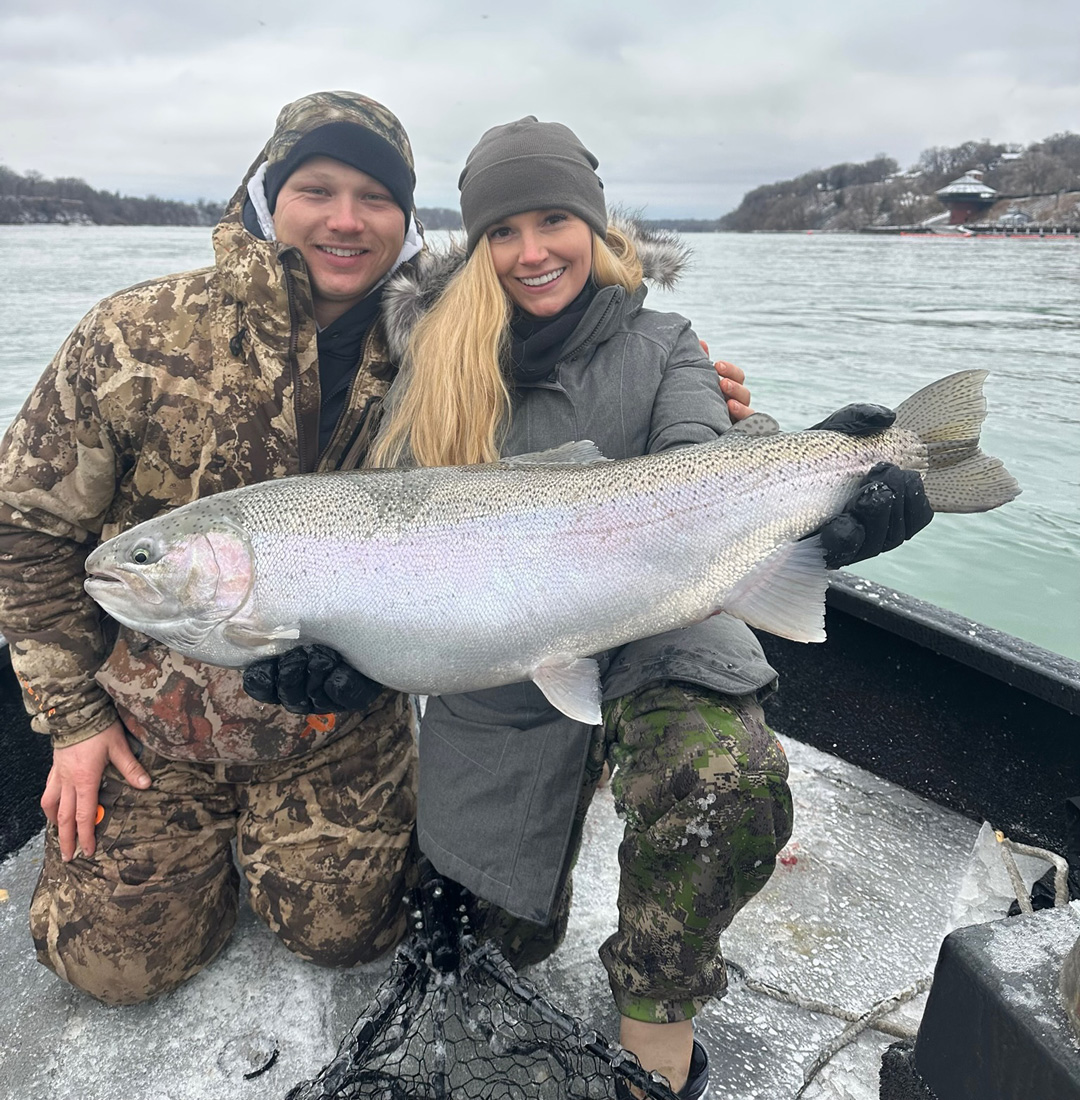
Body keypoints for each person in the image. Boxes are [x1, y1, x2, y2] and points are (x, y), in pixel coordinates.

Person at [352, 116, 933, 1096]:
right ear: (476, 243)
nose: (532, 249)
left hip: (664, 616)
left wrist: (812, 508)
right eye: (505, 229)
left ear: (594, 222)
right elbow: (385, 528)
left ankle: (654, 1036)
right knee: (489, 945)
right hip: (502, 655)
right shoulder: (430, 368)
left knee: (723, 778)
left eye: (553, 219)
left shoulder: (667, 344)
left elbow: (699, 460)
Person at [0, 90, 428, 1005]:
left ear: (408, 216)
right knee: (108, 965)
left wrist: (690, 389)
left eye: (375, 197)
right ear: (270, 196)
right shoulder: (135, 335)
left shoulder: (446, 350)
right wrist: (73, 720)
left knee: (351, 935)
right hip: (157, 730)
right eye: (317, 189)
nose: (346, 220)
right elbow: (25, 532)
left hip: (339, 727)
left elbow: (572, 402)